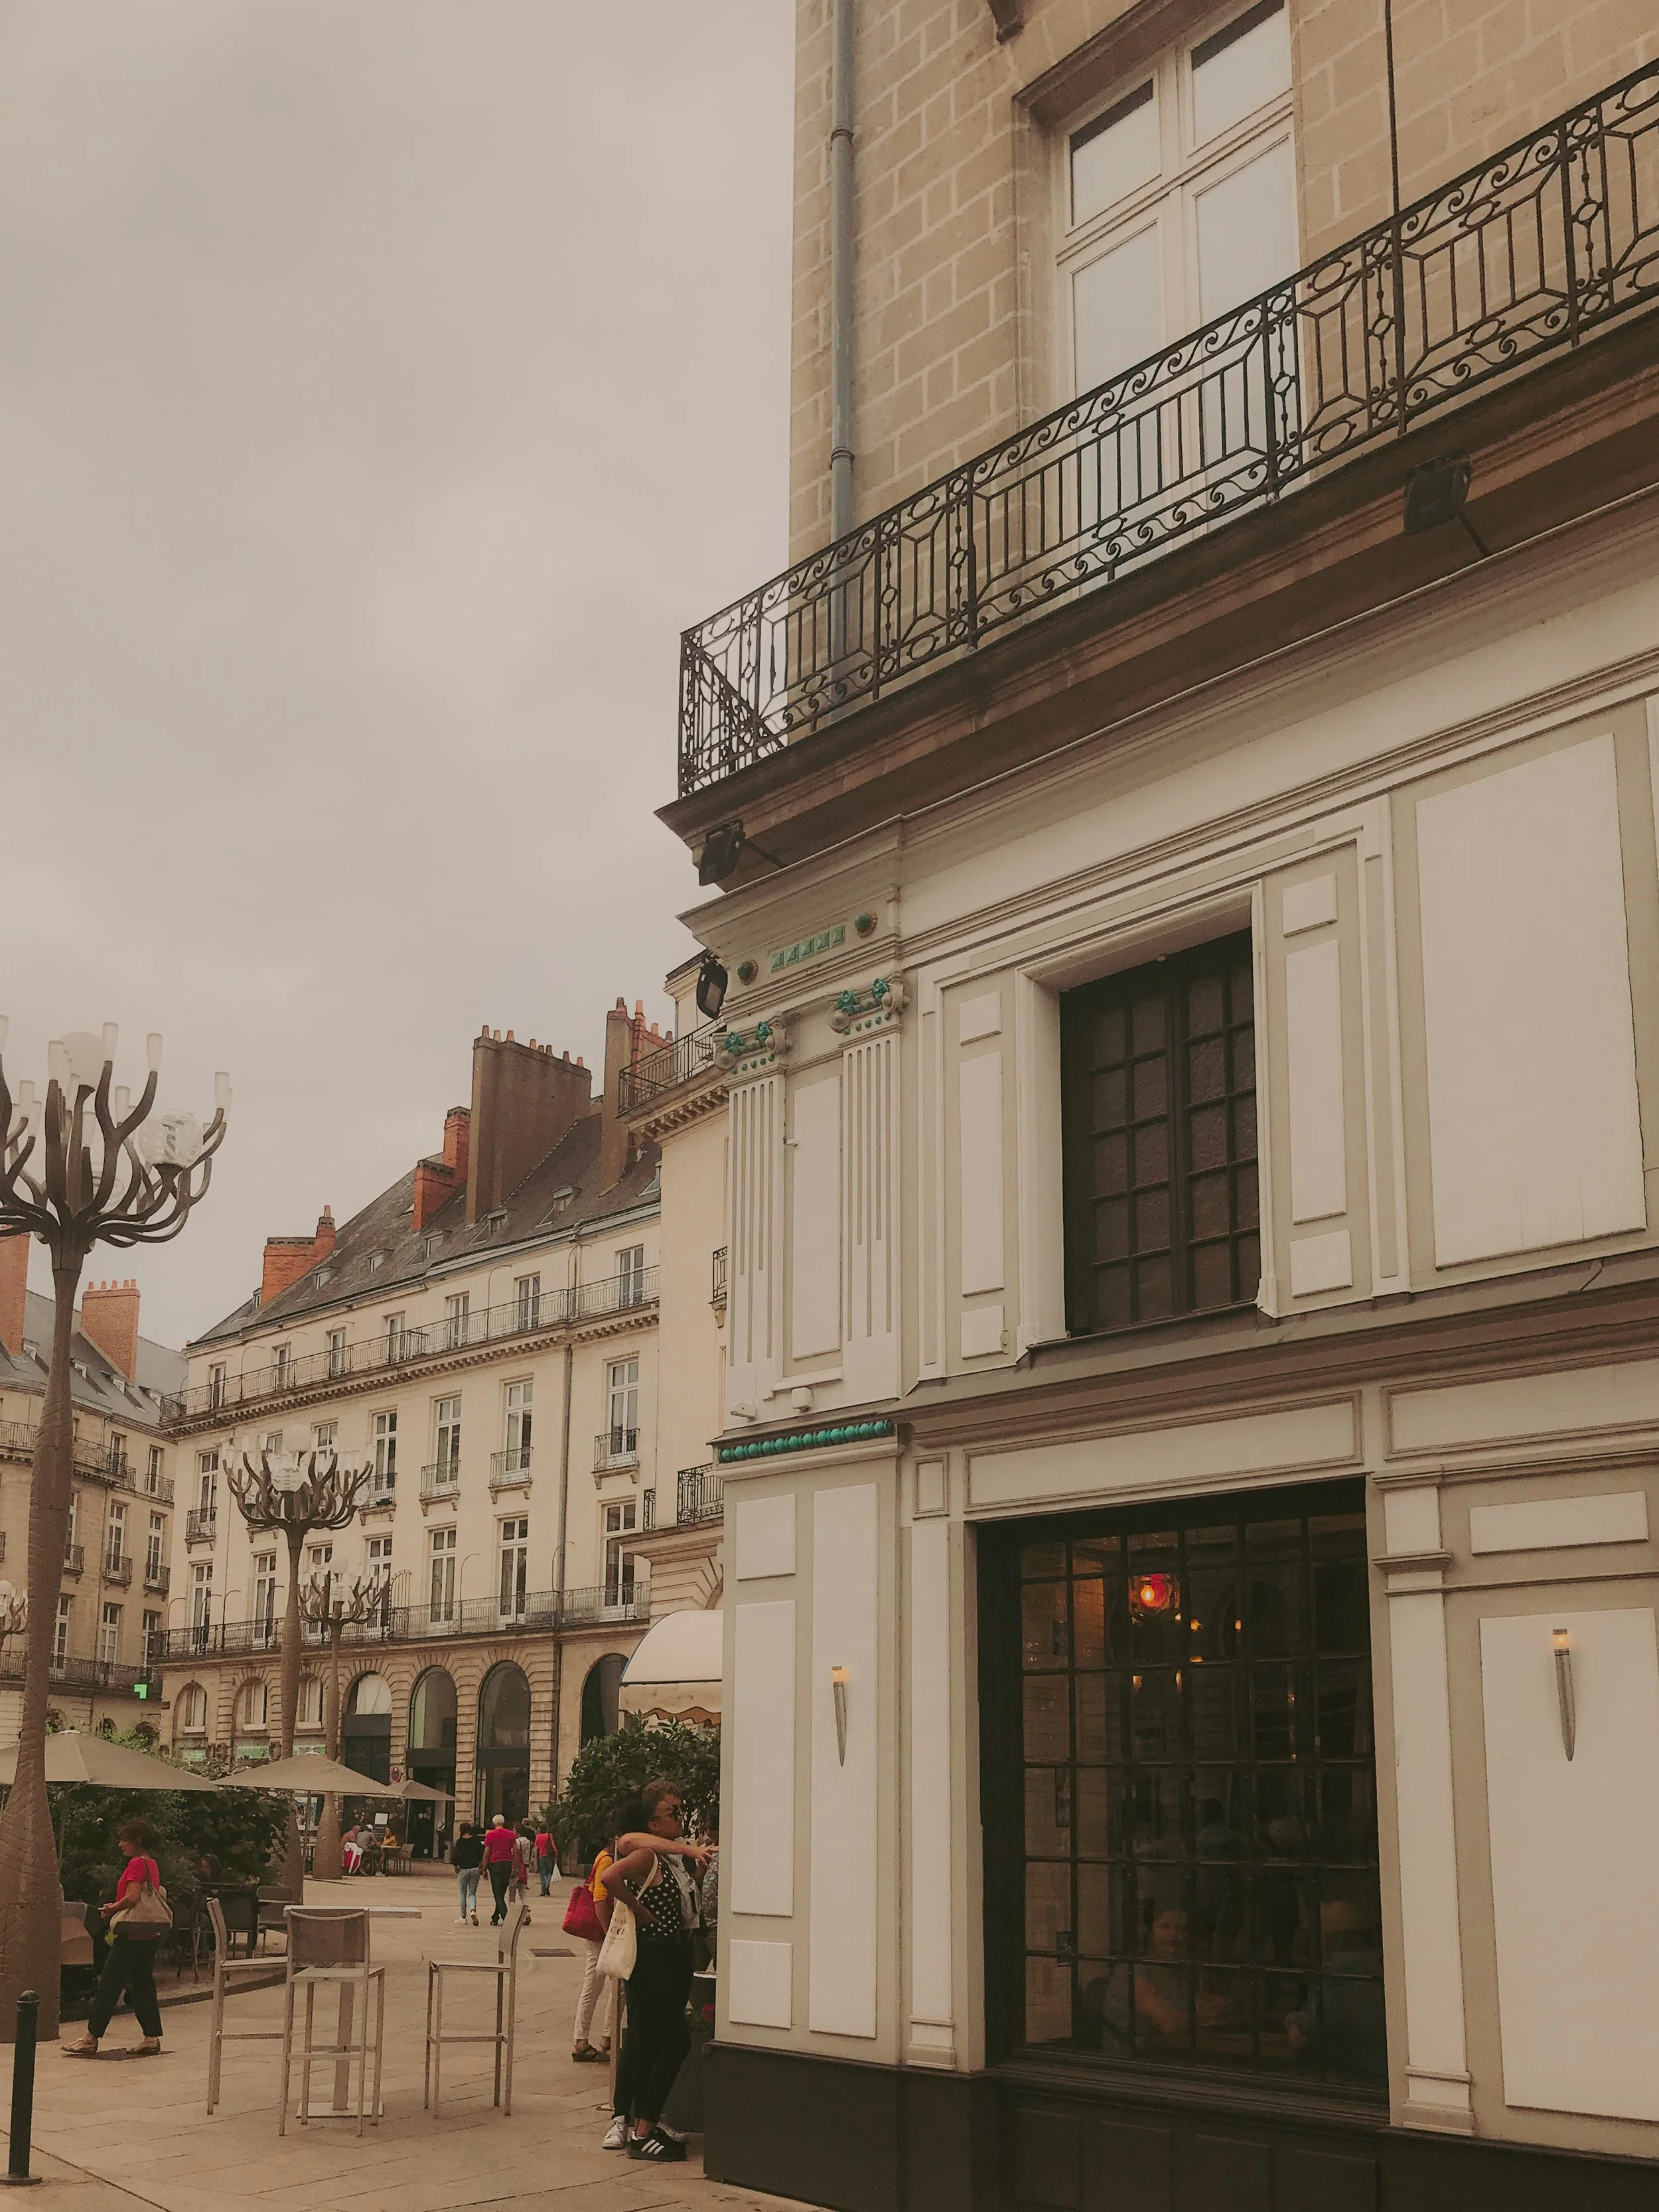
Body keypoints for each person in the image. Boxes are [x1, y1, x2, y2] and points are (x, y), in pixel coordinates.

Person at [600, 1781, 711, 2161]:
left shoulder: (672, 1859)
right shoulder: (646, 1851)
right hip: (655, 1956)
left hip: (675, 1952)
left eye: (682, 1810)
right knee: (674, 2040)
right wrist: (638, 1909)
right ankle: (643, 2127)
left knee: (648, 2036)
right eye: (673, 1812)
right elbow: (610, 1876)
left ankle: (634, 2121)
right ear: (653, 1823)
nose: (681, 1817)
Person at [64, 1819, 167, 2057]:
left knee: (109, 1984)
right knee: (143, 1986)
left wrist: (112, 1908)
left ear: (136, 1841)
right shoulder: (152, 1864)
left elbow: (132, 1898)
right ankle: (151, 2037)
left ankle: (91, 2037)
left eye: (124, 1840)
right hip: (149, 1933)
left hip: (130, 1934)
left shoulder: (135, 1864)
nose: (121, 1844)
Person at [572, 1842, 616, 2063]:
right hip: (600, 1933)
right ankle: (597, 2039)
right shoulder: (608, 1859)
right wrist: (610, 1935)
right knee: (599, 1985)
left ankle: (599, 2038)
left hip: (600, 1933)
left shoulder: (604, 1856)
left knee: (597, 1985)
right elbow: (600, 1899)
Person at [482, 1812, 516, 1925]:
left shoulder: (491, 1835)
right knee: (501, 1891)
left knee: (497, 1893)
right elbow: (515, 1850)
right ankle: (495, 1917)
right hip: (507, 1863)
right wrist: (516, 1865)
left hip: (495, 1864)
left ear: (494, 1823)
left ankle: (505, 1916)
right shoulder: (511, 1834)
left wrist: (484, 1867)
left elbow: (487, 1852)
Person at [451, 1822, 484, 1925]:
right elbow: (481, 1853)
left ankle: (463, 1917)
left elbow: (456, 1856)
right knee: (472, 1893)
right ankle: (473, 1910)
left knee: (462, 1893)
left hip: (464, 1869)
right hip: (475, 1869)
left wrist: (456, 1866)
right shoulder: (476, 1840)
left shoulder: (460, 1842)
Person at [535, 1823, 558, 1897]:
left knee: (542, 1873)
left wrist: (535, 1858)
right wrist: (556, 1855)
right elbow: (553, 1846)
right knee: (549, 1872)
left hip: (541, 1856)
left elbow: (536, 1848)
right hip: (549, 1856)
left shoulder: (538, 1836)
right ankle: (547, 1885)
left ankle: (543, 1890)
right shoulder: (549, 1836)